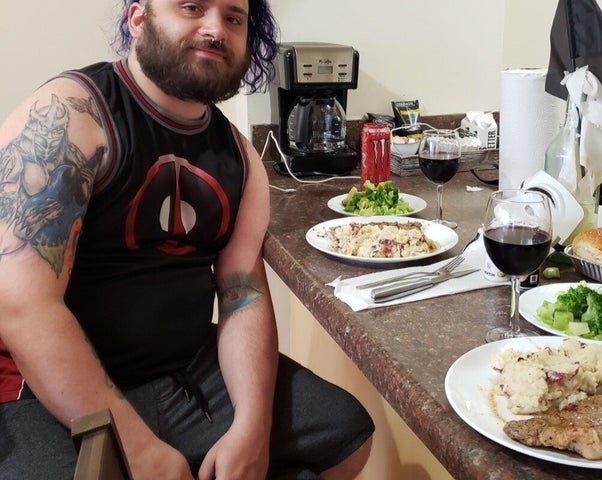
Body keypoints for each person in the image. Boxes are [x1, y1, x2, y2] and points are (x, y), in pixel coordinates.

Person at [0, 0, 374, 478]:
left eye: (234, 18)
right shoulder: (73, 114)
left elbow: (243, 298)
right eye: (192, 7)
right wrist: (135, 446)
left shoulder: (241, 157)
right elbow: (23, 307)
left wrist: (252, 428)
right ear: (139, 19)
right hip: (52, 387)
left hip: (188, 371)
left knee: (348, 437)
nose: (215, 28)